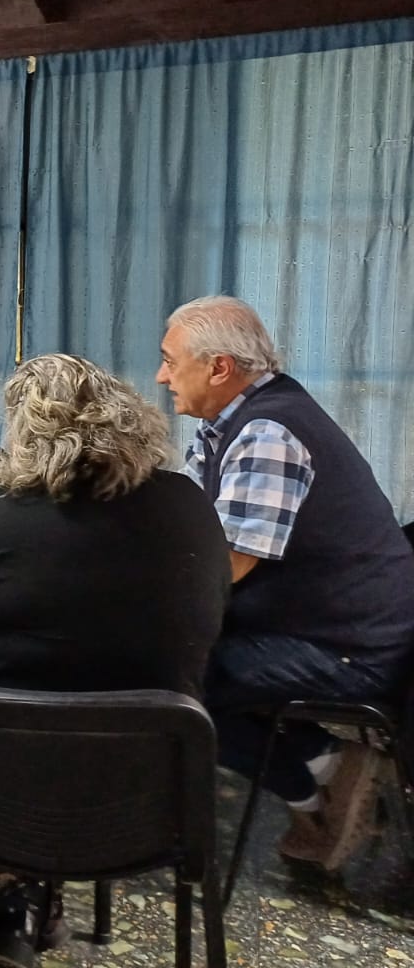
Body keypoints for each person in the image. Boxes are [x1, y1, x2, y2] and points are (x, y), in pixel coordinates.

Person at [0, 353, 230, 965]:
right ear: (128, 417)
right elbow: (213, 615)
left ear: (23, 435)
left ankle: (5, 900)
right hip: (148, 787)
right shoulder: (187, 506)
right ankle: (28, 896)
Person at [156, 295, 414, 871]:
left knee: (171, 679)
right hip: (326, 626)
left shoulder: (267, 432)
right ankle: (326, 766)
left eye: (170, 361)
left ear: (219, 367)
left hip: (352, 648)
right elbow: (188, 528)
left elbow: (225, 566)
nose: (162, 376)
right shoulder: (229, 423)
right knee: (172, 660)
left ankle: (317, 787)